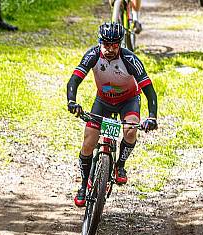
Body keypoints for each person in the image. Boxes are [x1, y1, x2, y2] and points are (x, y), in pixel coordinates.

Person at [66, 22, 158, 207]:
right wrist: (72, 101)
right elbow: (74, 80)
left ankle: (120, 165)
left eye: (114, 45)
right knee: (88, 143)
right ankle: (84, 185)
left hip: (128, 101)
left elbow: (149, 91)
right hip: (103, 102)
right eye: (106, 44)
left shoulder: (130, 59)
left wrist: (152, 116)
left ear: (120, 43)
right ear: (100, 42)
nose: (109, 49)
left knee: (130, 131)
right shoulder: (93, 55)